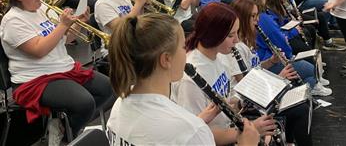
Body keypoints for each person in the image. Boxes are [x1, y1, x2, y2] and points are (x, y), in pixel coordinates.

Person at [107, 13, 260, 145]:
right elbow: (180, 133)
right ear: (166, 59)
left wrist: (199, 119)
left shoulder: (119, 104)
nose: (187, 52)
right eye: (182, 47)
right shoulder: (190, 131)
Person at [0, 0, 113, 141]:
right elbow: (39, 50)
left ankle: (65, 125)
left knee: (108, 88)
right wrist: (62, 25)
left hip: (63, 68)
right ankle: (67, 138)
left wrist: (78, 23)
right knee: (84, 103)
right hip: (35, 78)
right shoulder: (12, 20)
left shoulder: (43, 8)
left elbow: (66, 39)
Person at [173, 2, 276, 145]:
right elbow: (198, 134)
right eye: (231, 35)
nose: (237, 40)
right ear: (213, 35)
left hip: (229, 127)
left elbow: (224, 100)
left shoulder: (221, 56)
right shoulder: (190, 81)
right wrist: (251, 131)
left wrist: (240, 104)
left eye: (236, 33)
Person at [229, 0, 314, 146]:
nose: (257, 21)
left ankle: (288, 140)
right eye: (253, 17)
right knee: (300, 108)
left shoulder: (247, 40)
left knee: (301, 97)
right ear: (242, 18)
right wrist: (279, 78)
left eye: (257, 16)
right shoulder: (236, 47)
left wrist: (272, 61)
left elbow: (255, 70)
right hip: (250, 103)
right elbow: (245, 86)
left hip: (258, 94)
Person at [240, 0, 332, 96]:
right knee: (310, 70)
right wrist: (288, 55)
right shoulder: (263, 18)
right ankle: (301, 89)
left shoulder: (257, 15)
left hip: (266, 61)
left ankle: (304, 87)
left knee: (309, 71)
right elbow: (280, 40)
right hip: (265, 63)